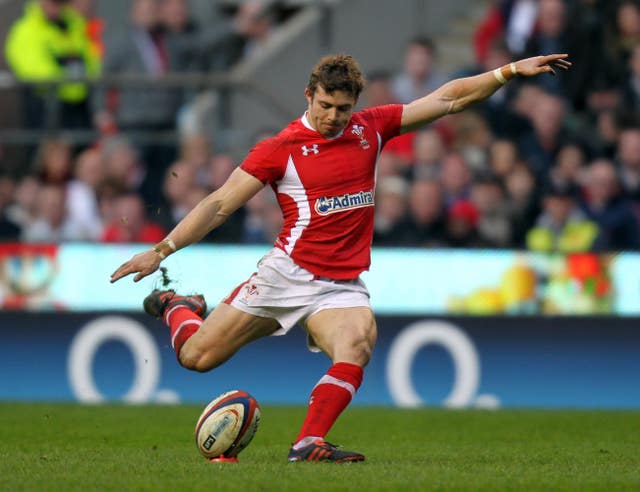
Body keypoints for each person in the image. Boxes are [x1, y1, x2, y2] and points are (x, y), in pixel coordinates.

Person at [110, 52, 570, 462]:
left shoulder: (370, 127)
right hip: (284, 277)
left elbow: (448, 99)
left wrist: (507, 71)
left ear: (355, 105)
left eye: (342, 108)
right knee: (196, 358)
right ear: (309, 95)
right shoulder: (280, 149)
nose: (332, 117)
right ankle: (178, 307)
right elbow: (220, 203)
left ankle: (308, 443)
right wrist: (161, 249)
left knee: (358, 343)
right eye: (324, 105)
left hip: (339, 285)